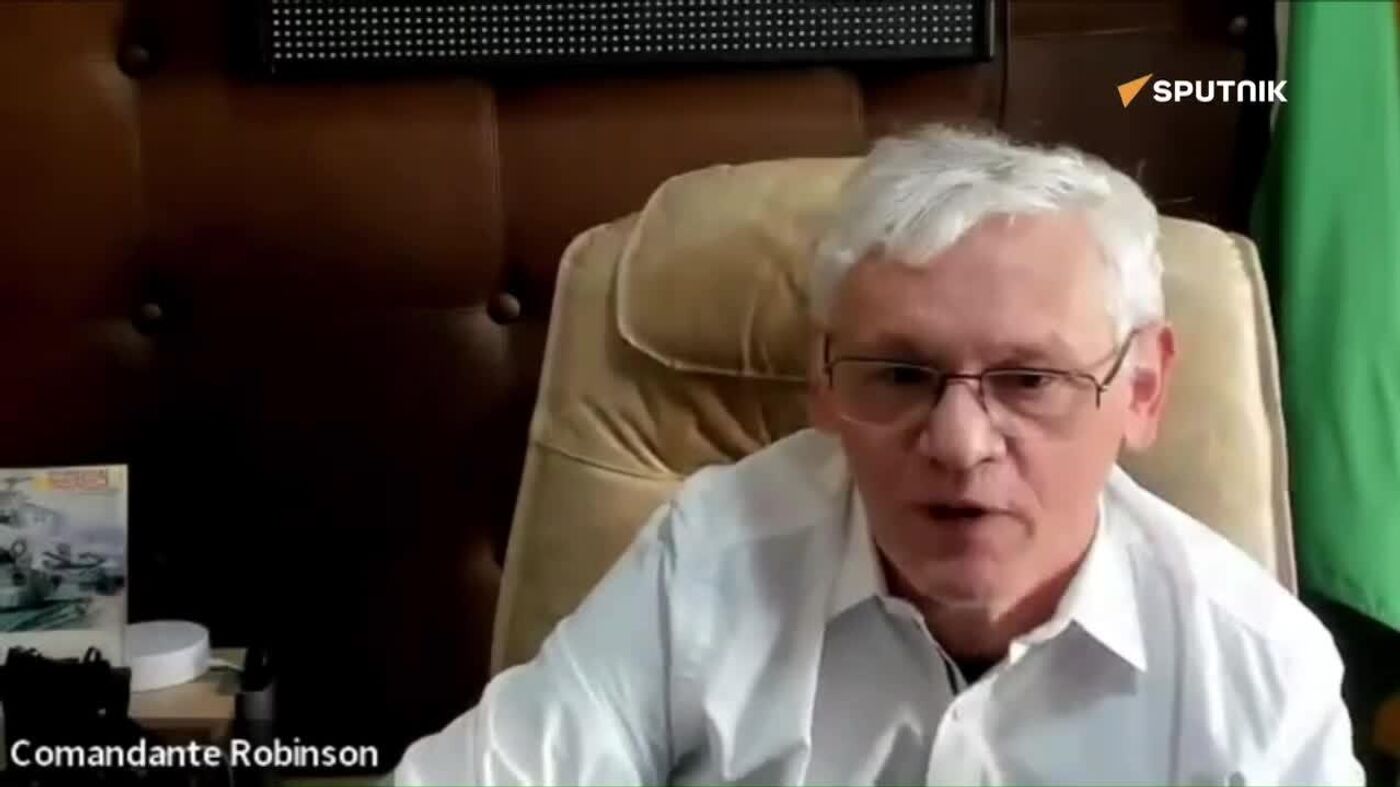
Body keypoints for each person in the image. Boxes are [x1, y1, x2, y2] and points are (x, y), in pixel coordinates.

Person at [394, 126, 1364, 785]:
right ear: (821, 381)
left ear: (1141, 389)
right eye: (899, 374)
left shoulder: (1255, 668)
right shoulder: (710, 558)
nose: (959, 444)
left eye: (1029, 380)